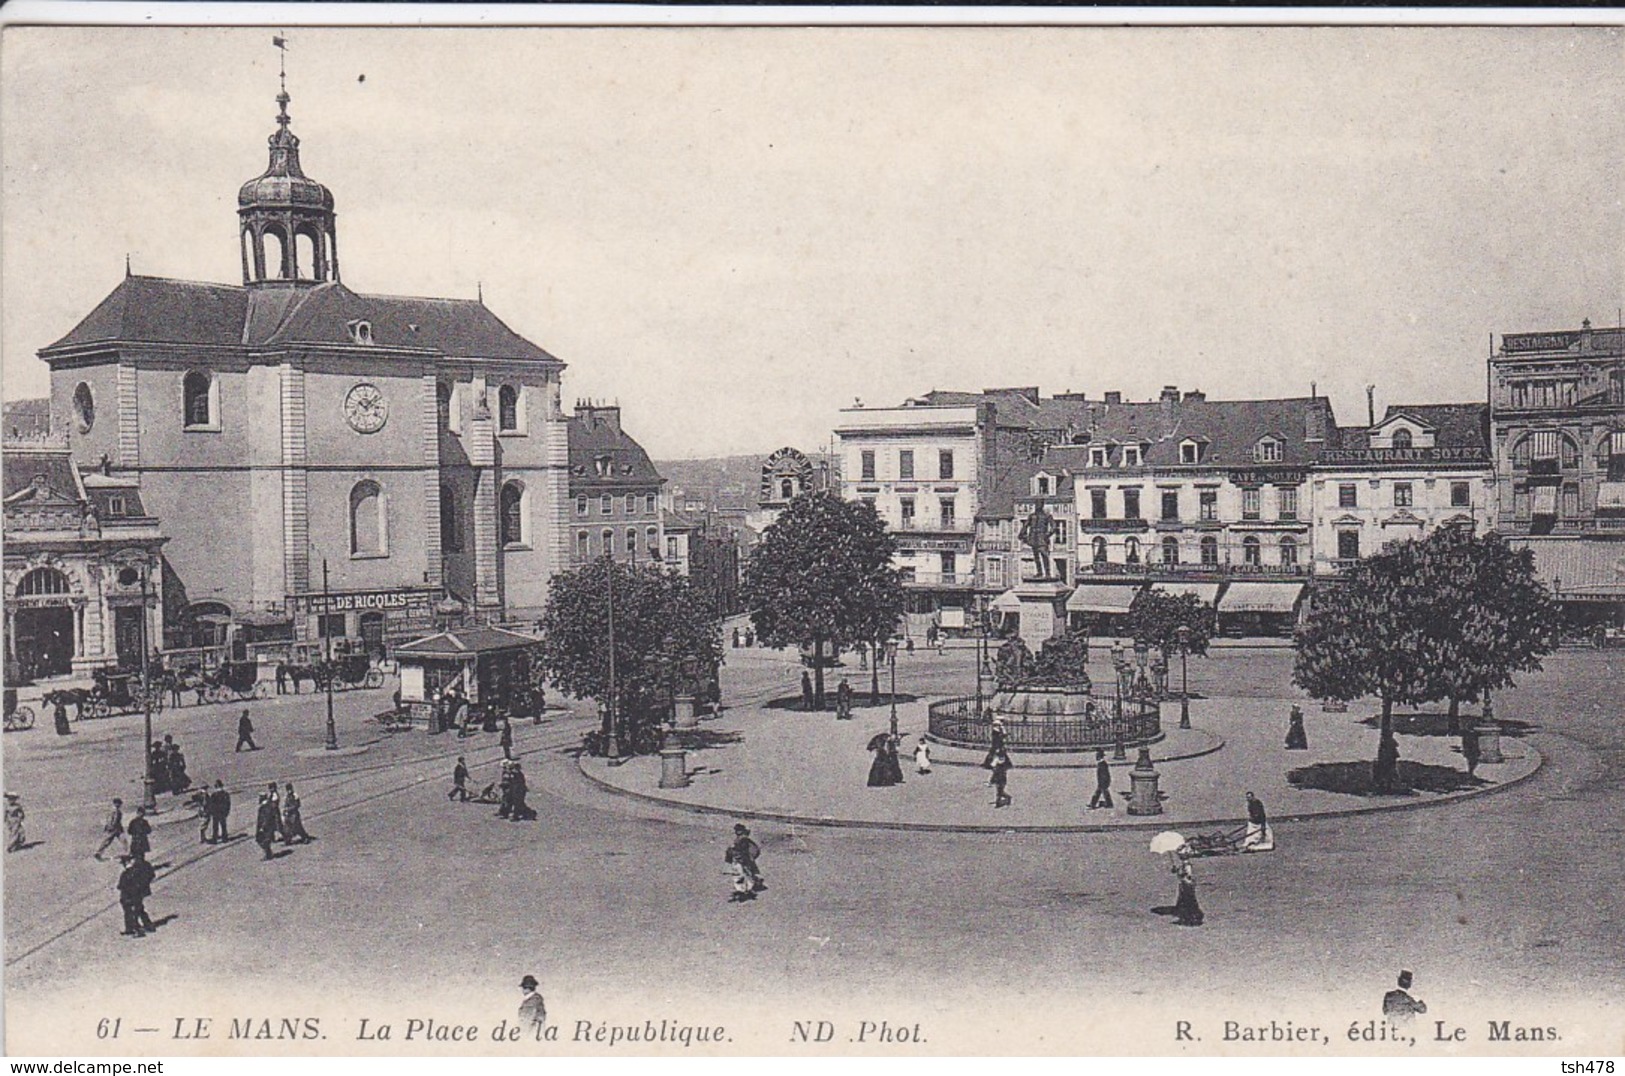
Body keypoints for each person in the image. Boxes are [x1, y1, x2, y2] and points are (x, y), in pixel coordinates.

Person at [117, 852, 157, 937]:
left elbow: (121, 886)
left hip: (130, 895)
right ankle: (145, 926)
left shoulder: (127, 874)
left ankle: (137, 929)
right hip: (136, 895)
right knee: (138, 910)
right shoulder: (136, 871)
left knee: (133, 912)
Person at [1171, 852, 1204, 926]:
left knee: (1188, 900)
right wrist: (1176, 870)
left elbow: (1188, 876)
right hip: (1185, 884)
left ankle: (1190, 916)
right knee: (1187, 900)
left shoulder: (1187, 865)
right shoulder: (1184, 865)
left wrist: (1181, 874)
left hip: (1187, 884)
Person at [730, 823, 765, 892]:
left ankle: (754, 883)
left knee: (747, 871)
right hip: (745, 857)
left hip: (746, 857)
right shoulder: (741, 838)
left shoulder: (742, 839)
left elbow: (743, 849)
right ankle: (755, 881)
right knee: (747, 871)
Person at [254, 794, 279, 860]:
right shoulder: (266, 806)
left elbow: (266, 818)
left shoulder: (265, 807)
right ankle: (268, 853)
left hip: (266, 827)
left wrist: (262, 827)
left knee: (263, 840)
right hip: (266, 827)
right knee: (264, 840)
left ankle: (268, 854)